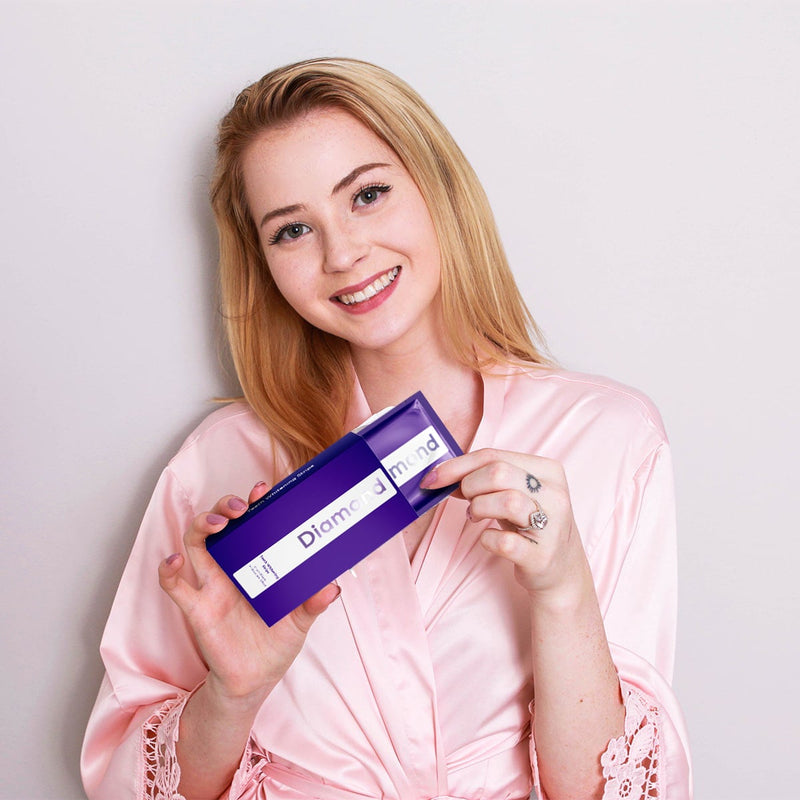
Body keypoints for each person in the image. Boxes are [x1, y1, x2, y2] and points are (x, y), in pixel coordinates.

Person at [81, 57, 692, 800]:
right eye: (293, 230)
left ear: (437, 187)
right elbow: (120, 786)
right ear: (262, 263)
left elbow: (617, 792)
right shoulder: (221, 465)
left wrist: (563, 590)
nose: (343, 255)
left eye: (368, 195)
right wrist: (232, 695)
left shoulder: (608, 438)